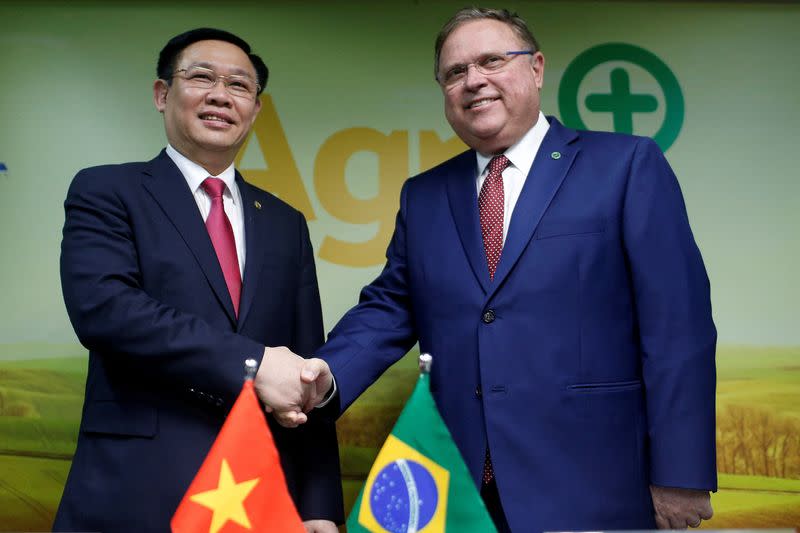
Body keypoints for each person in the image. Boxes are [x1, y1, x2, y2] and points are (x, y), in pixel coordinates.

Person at [287, 7, 717, 533]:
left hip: (594, 485)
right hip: (459, 489)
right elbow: (390, 308)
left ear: (536, 68)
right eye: (455, 72)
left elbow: (678, 327)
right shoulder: (424, 195)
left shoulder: (626, 166)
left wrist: (681, 472)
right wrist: (323, 376)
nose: (474, 81)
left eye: (492, 60)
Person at [54, 28, 342, 533]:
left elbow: (304, 366)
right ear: (163, 94)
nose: (219, 95)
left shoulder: (284, 222)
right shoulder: (107, 190)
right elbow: (107, 311)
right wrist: (253, 365)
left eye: (239, 85)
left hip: (258, 499)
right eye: (201, 77)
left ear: (255, 109)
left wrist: (319, 504)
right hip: (137, 492)